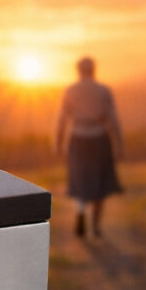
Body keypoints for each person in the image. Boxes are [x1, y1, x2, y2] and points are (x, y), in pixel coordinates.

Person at [55, 56, 124, 238]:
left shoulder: (71, 90)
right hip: (99, 138)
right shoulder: (103, 91)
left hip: (77, 139)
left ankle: (80, 211)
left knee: (80, 179)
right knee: (100, 181)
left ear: (78, 70)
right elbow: (113, 119)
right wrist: (119, 144)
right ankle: (96, 225)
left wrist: (58, 143)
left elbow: (62, 120)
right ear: (94, 70)